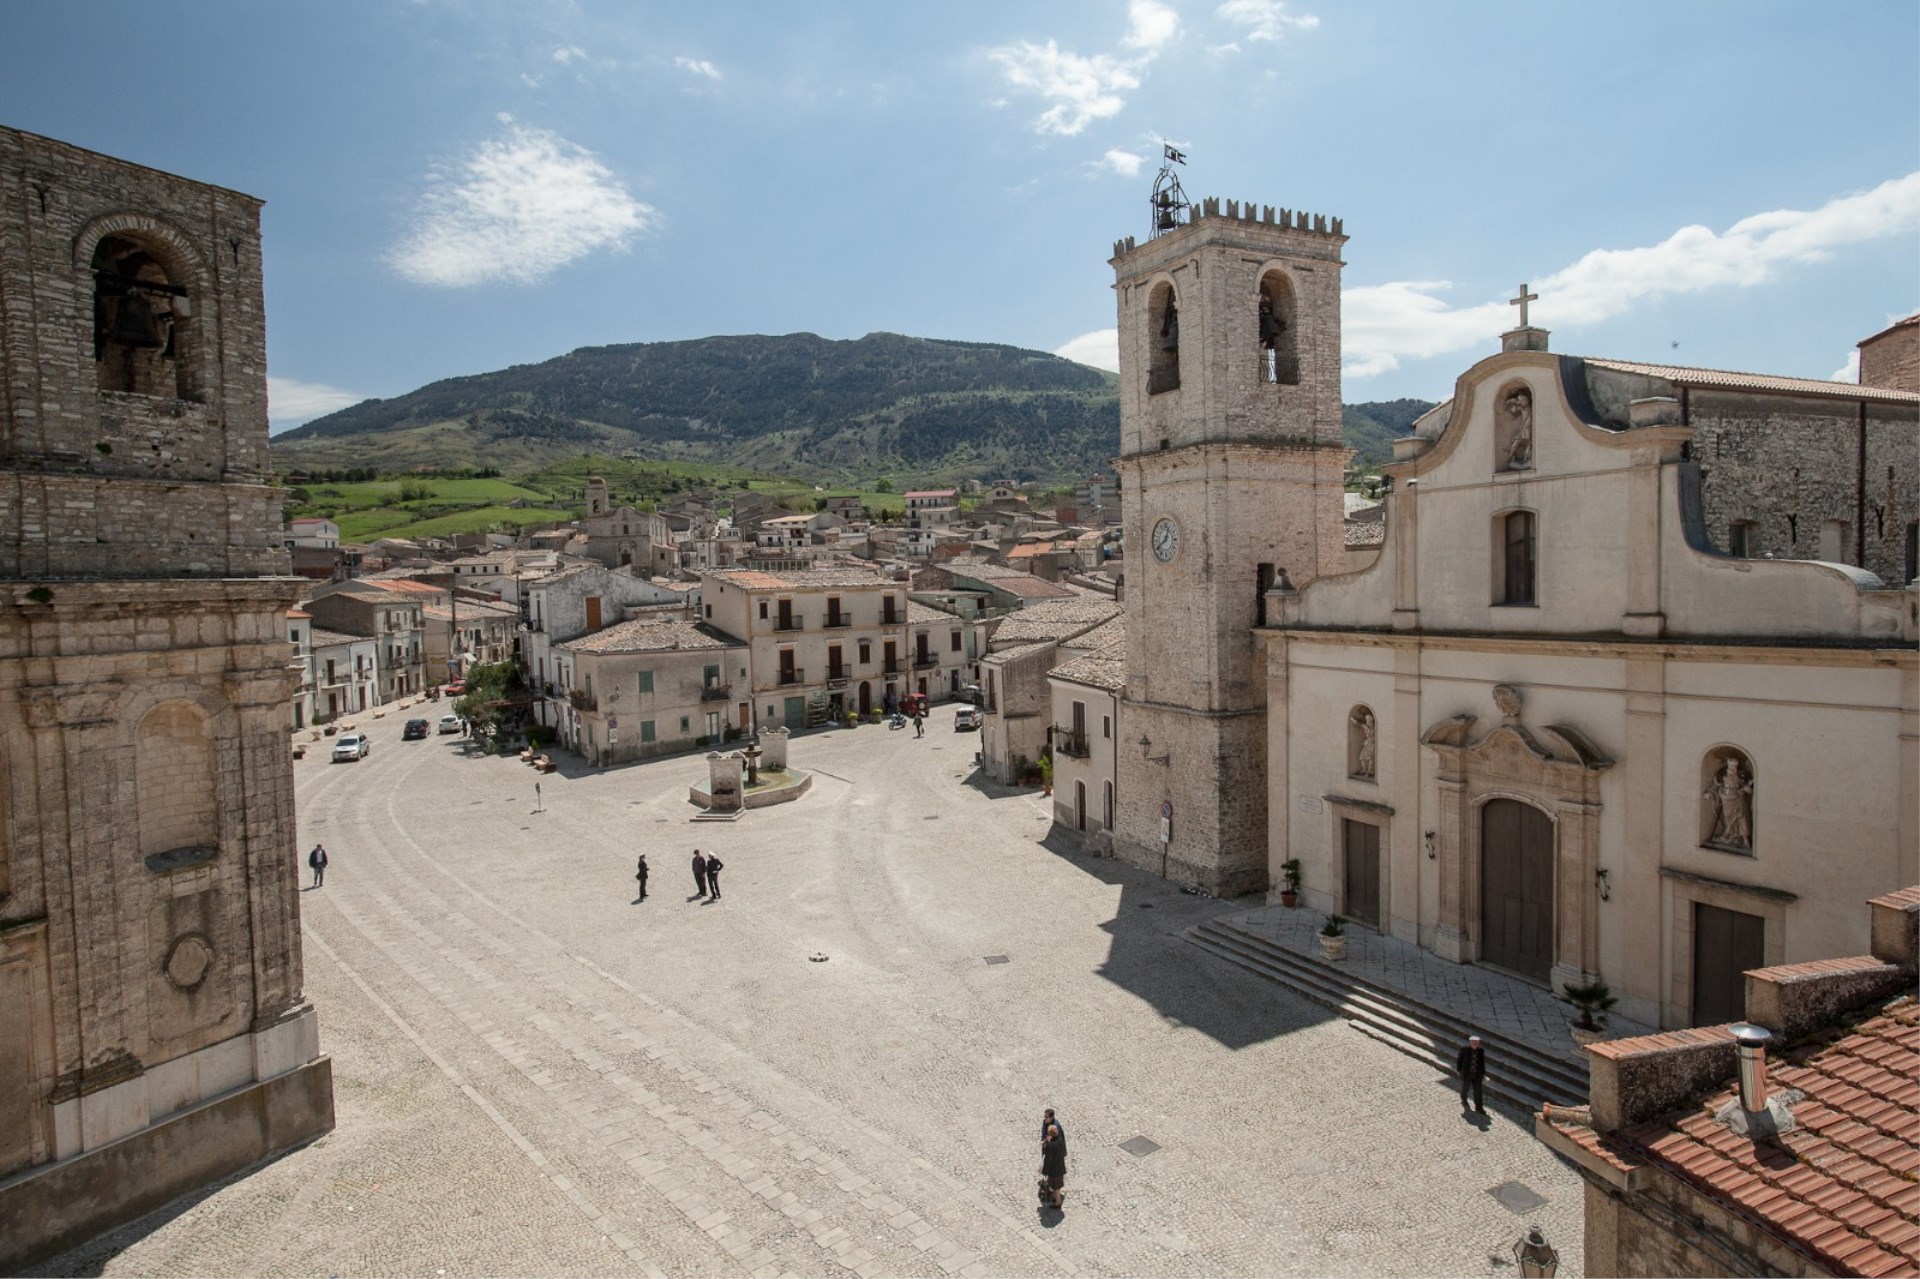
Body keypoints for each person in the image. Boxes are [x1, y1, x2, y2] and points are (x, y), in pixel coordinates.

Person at [1039, 1121, 1067, 1210]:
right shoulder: (1060, 1141)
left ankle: (1057, 1202)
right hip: (1060, 1165)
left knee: (1056, 1186)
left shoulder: (1050, 1146)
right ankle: (1055, 1198)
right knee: (1056, 1185)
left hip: (1054, 1169)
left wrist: (1044, 1171)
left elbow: (1048, 1160)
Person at [1456, 1034, 1487, 1115]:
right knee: (1465, 1087)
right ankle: (1464, 1098)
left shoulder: (1480, 1051)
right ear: (1470, 1042)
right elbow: (1459, 1061)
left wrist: (1483, 1073)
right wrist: (1460, 1071)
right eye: (1473, 1042)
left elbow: (1482, 1063)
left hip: (1477, 1074)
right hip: (1467, 1073)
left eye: (1476, 1042)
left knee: (1478, 1091)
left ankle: (1479, 1107)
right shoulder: (1464, 1050)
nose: (1475, 1044)